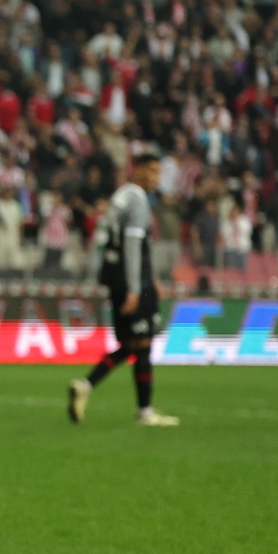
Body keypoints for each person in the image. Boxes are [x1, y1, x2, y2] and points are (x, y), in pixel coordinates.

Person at [70, 152, 178, 427]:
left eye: (158, 172)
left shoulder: (120, 197)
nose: (156, 177)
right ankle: (144, 411)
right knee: (142, 343)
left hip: (117, 277)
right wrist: (135, 287)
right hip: (132, 282)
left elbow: (107, 240)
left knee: (132, 344)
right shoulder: (138, 200)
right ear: (138, 171)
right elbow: (132, 247)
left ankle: (87, 386)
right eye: (152, 171)